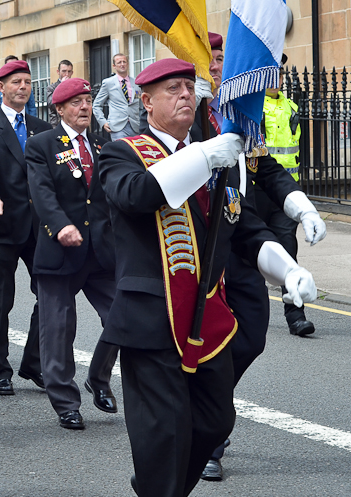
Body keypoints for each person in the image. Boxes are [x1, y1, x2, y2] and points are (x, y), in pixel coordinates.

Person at [98, 58, 317, 497]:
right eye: (172, 89)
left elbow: (246, 229)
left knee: (216, 419)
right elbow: (137, 195)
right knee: (166, 431)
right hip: (152, 320)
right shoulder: (122, 153)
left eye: (188, 87)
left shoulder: (213, 159)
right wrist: (202, 157)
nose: (184, 95)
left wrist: (288, 270)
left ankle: (165, 485)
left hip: (209, 322)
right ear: (146, 101)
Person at [190, 34, 327, 482]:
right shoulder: (186, 116)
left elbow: (266, 169)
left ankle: (204, 411)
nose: (218, 69)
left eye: (224, 62)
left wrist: (301, 205)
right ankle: (208, 437)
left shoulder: (242, 114)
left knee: (250, 339)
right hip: (197, 250)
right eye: (211, 62)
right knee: (203, 346)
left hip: (241, 241)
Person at [25, 78, 114, 430]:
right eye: (76, 102)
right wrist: (60, 224)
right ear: (59, 109)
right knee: (58, 328)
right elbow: (42, 192)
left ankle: (100, 376)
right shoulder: (42, 145)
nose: (84, 107)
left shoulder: (101, 144)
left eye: (88, 100)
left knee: (123, 316)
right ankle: (65, 401)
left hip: (101, 250)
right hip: (60, 249)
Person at [0, 59, 51, 395]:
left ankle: (34, 362)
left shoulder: (41, 127)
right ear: (0, 87)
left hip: (39, 227)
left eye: (28, 82)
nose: (23, 87)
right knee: (1, 301)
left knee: (49, 295)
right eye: (16, 81)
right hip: (3, 223)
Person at [262, 53, 316, 337]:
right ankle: (249, 310)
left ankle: (296, 317)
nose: (276, 79)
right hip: (257, 194)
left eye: (278, 73)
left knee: (287, 251)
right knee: (252, 254)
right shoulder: (254, 108)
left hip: (286, 194)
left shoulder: (292, 105)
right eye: (270, 74)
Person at [92, 53, 144, 140]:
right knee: (121, 152)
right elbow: (96, 105)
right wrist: (103, 122)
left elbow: (140, 105)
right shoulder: (108, 83)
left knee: (135, 152)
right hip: (117, 127)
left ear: (127, 64)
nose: (122, 64)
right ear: (114, 66)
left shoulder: (136, 83)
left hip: (135, 126)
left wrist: (141, 122)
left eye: (124, 62)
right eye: (119, 62)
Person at [46, 60, 74, 126]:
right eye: (64, 71)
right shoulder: (51, 88)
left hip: (73, 123)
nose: (66, 74)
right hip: (58, 124)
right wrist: (62, 86)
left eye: (69, 71)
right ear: (58, 72)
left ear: (72, 72)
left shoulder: (75, 87)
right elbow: (52, 105)